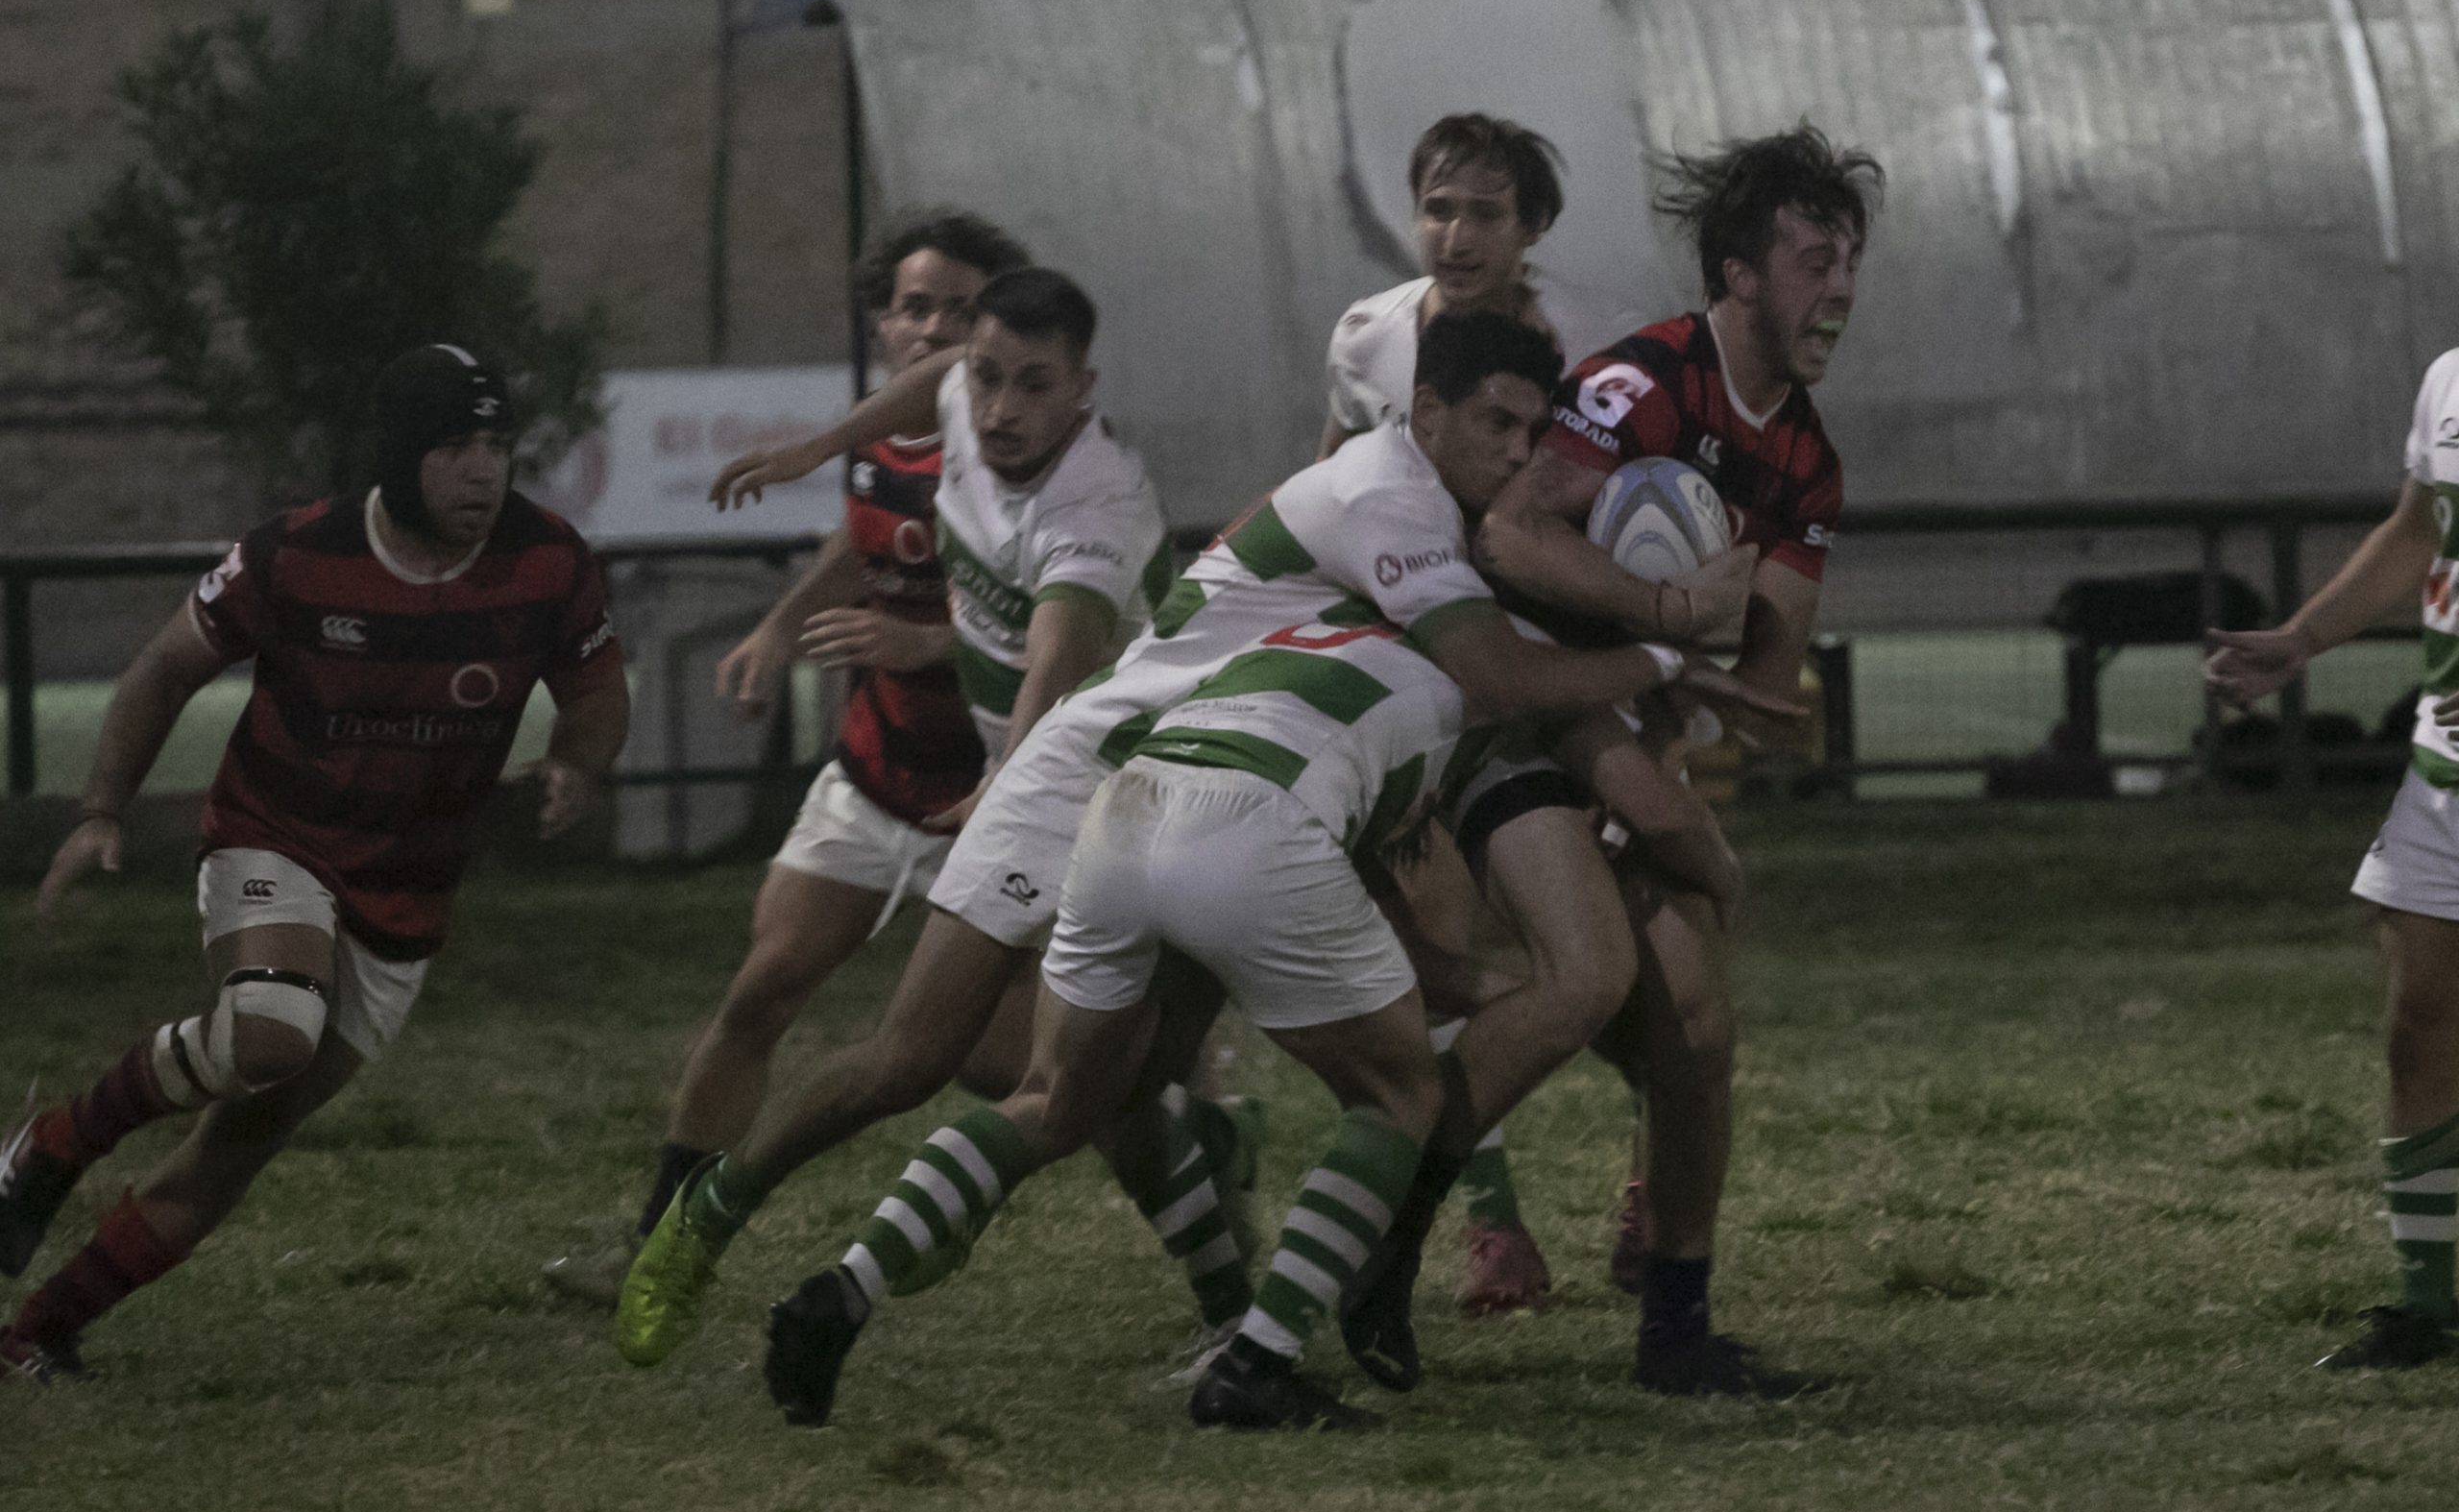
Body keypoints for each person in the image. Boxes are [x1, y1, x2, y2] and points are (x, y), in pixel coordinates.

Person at [750, 313, 1798, 1433]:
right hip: (1246, 823)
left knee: (1058, 1098)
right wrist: (1667, 658)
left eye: (1533, 431)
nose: (1516, 449)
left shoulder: (1348, 583)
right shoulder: (1456, 614)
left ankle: (841, 1287)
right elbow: (1516, 698)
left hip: (1132, 799)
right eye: (1497, 422)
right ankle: (1264, 1352)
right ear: (1429, 412)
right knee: (1398, 1091)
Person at [613, 265, 1237, 1367]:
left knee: (1088, 1086)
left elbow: (1057, 656)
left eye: (1030, 387)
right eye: (990, 378)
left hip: (1121, 800)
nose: (997, 408)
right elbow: (939, 377)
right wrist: (818, 450)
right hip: (1027, 784)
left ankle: (1225, 1298)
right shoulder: (968, 394)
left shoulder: (1094, 504)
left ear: (1080, 392)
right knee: (921, 1057)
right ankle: (705, 1217)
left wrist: (1004, 783)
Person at [0, 345, 630, 1380]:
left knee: (236, 1148)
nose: (483, 471)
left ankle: (40, 1330)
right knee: (272, 1030)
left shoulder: (549, 561)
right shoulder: (297, 553)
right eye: (455, 447)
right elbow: (165, 668)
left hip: (410, 892)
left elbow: (599, 693)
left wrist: (579, 763)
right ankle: (57, 1144)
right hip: (274, 837)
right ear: (399, 455)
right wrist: (101, 810)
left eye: (497, 446)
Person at [1379, 122, 1882, 1398]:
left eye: (1851, 262)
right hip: (1515, 717)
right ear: (1740, 270)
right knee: (1587, 988)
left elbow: (1766, 682)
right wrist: (1661, 618)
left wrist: (1742, 690)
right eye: (1815, 257)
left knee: (1697, 1027)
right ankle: (1376, 1253)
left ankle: (1676, 1327)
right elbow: (1511, 532)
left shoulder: (1808, 466)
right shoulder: (1639, 383)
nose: (1839, 287)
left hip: (1627, 733)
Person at [540, 208, 1028, 1305]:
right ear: (881, 320)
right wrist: (775, 626)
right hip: (873, 777)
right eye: (916, 308)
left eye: (962, 311)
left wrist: (929, 644)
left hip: (994, 792)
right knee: (762, 993)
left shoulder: (1018, 449)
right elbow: (863, 545)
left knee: (1004, 1064)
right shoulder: (882, 438)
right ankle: (661, 1249)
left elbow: (1070, 626)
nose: (936, 332)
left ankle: (1191, 1151)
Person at [1315, 112, 1744, 1315]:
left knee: (1666, 962)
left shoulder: (1585, 366)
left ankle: (1642, 1191)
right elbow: (1332, 491)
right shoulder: (1368, 336)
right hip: (1430, 695)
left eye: (1483, 212)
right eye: (1437, 207)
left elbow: (1596, 542)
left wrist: (1650, 682)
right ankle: (1484, 1231)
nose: (1454, 234)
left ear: (1532, 231)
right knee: (1450, 971)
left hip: (1552, 687)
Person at [2205, 347, 2459, 1368]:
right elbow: (2414, 530)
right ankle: (2429, 1307)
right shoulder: (2450, 377)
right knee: (2418, 1028)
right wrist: (2303, 638)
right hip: (2446, 771)